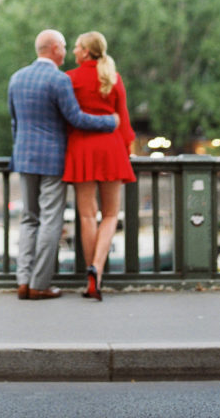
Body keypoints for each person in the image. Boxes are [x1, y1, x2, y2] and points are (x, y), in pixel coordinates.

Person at [8, 29, 120, 301]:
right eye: (64, 47)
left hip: (24, 157)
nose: (66, 51)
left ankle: (23, 281)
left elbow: (14, 122)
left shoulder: (17, 78)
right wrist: (110, 122)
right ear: (55, 48)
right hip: (52, 159)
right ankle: (39, 284)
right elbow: (76, 119)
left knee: (28, 219)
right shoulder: (58, 80)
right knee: (50, 221)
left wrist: (20, 149)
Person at [62, 30, 135, 301]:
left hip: (82, 148)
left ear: (86, 51)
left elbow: (67, 117)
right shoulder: (112, 78)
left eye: (77, 47)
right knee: (111, 215)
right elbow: (124, 122)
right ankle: (98, 270)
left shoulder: (70, 78)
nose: (74, 51)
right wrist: (126, 151)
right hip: (111, 148)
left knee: (86, 215)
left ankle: (88, 274)